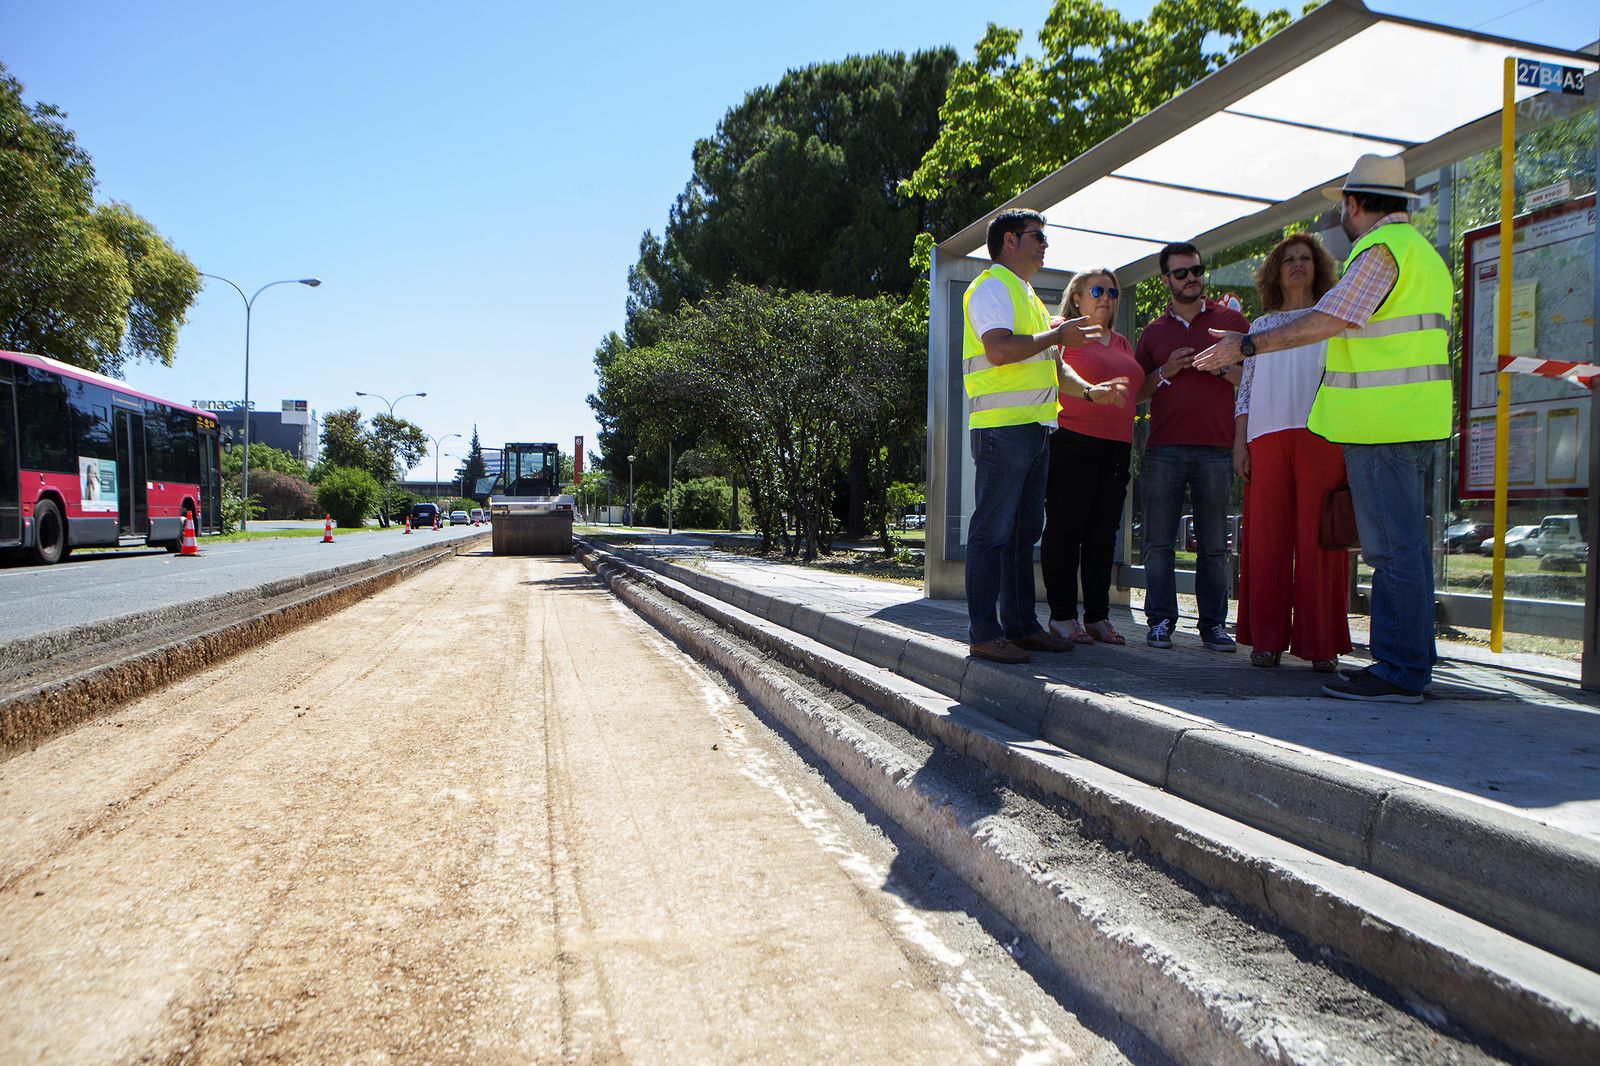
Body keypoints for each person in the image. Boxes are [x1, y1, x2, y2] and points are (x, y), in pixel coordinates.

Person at [1196, 154, 1452, 704]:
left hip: (1382, 423)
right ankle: (1413, 660)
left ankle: (1400, 670)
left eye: (1344, 205)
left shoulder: (1380, 251)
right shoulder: (1423, 254)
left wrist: (1246, 343)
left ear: (1354, 205)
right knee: (1405, 548)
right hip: (1413, 418)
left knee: (1391, 552)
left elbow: (1329, 319)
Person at [961, 209, 1130, 664]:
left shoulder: (1026, 293)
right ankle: (984, 632)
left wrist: (1092, 392)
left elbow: (1053, 366)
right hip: (1003, 431)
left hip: (1034, 431)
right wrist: (1056, 334)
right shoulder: (992, 286)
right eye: (1038, 236)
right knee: (993, 533)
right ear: (1010, 240)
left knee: (1021, 535)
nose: (1045, 244)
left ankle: (1020, 628)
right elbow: (998, 349)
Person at [1233, 234, 1350, 672]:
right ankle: (1265, 640)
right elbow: (1244, 392)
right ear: (1275, 272)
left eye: (1305, 258)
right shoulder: (1259, 328)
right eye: (1288, 260)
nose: (1297, 265)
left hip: (1321, 436)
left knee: (1320, 542)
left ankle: (1322, 644)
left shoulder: (1333, 319)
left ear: (1317, 266)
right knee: (1265, 541)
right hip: (1265, 436)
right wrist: (1239, 443)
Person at [1133, 242, 1247, 652]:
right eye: (1181, 273)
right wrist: (1165, 371)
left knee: (1215, 545)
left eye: (1196, 270)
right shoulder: (1153, 332)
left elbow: (1252, 381)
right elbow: (1136, 392)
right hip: (1164, 449)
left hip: (1217, 448)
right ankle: (1160, 620)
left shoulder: (1232, 322)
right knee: (1158, 542)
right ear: (1166, 280)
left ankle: (1214, 625)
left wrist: (1218, 365)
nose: (1191, 278)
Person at [1041, 269, 1143, 646]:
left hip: (1117, 447)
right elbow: (1049, 370)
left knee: (1104, 536)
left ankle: (1098, 617)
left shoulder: (1123, 343)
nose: (1106, 298)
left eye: (1113, 292)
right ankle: (1063, 617)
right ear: (1077, 297)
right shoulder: (1061, 330)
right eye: (1097, 290)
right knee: (1067, 531)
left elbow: (1131, 391)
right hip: (1072, 442)